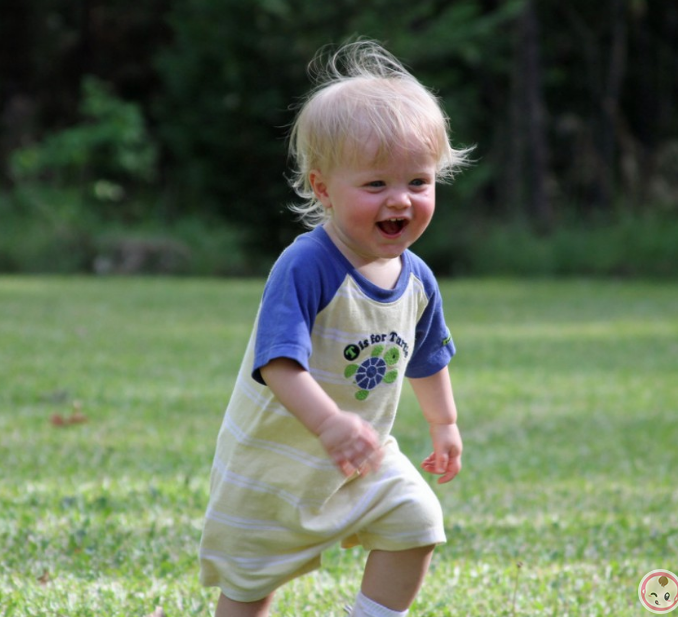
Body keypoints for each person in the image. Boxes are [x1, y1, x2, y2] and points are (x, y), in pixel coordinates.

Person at [199, 39, 473, 617]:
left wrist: (444, 424)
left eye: (418, 183)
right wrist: (329, 424)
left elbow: (427, 357)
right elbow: (278, 364)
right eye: (375, 185)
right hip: (276, 465)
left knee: (417, 520)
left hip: (363, 457)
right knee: (250, 586)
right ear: (323, 188)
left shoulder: (417, 278)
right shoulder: (307, 265)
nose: (400, 199)